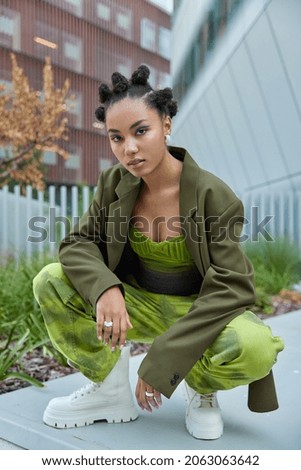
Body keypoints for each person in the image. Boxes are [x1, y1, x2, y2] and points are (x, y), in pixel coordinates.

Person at [33, 65, 284, 440]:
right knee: (51, 280)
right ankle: (109, 390)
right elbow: (78, 243)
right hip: (138, 307)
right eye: (116, 138)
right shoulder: (114, 182)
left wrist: (167, 359)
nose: (129, 149)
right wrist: (105, 288)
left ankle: (200, 386)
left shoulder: (214, 195)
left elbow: (233, 286)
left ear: (166, 125)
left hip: (199, 312)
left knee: (256, 346)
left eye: (141, 131)